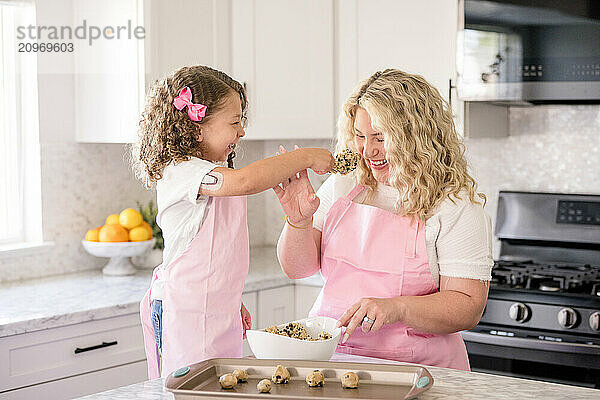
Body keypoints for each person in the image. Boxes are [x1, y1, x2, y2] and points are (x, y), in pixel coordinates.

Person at [275, 69, 493, 371]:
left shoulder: (454, 205)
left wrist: (396, 308)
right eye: (360, 136)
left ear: (416, 137)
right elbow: (297, 268)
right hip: (335, 363)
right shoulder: (344, 185)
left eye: (380, 137)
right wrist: (297, 222)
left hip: (421, 373)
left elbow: (467, 306)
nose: (368, 150)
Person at [131, 65, 334, 378]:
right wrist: (306, 156)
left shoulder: (213, 172)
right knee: (185, 392)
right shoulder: (182, 172)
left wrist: (227, 298)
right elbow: (245, 182)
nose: (241, 132)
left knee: (222, 388)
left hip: (217, 314)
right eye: (235, 122)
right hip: (182, 314)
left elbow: (218, 255)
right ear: (198, 129)